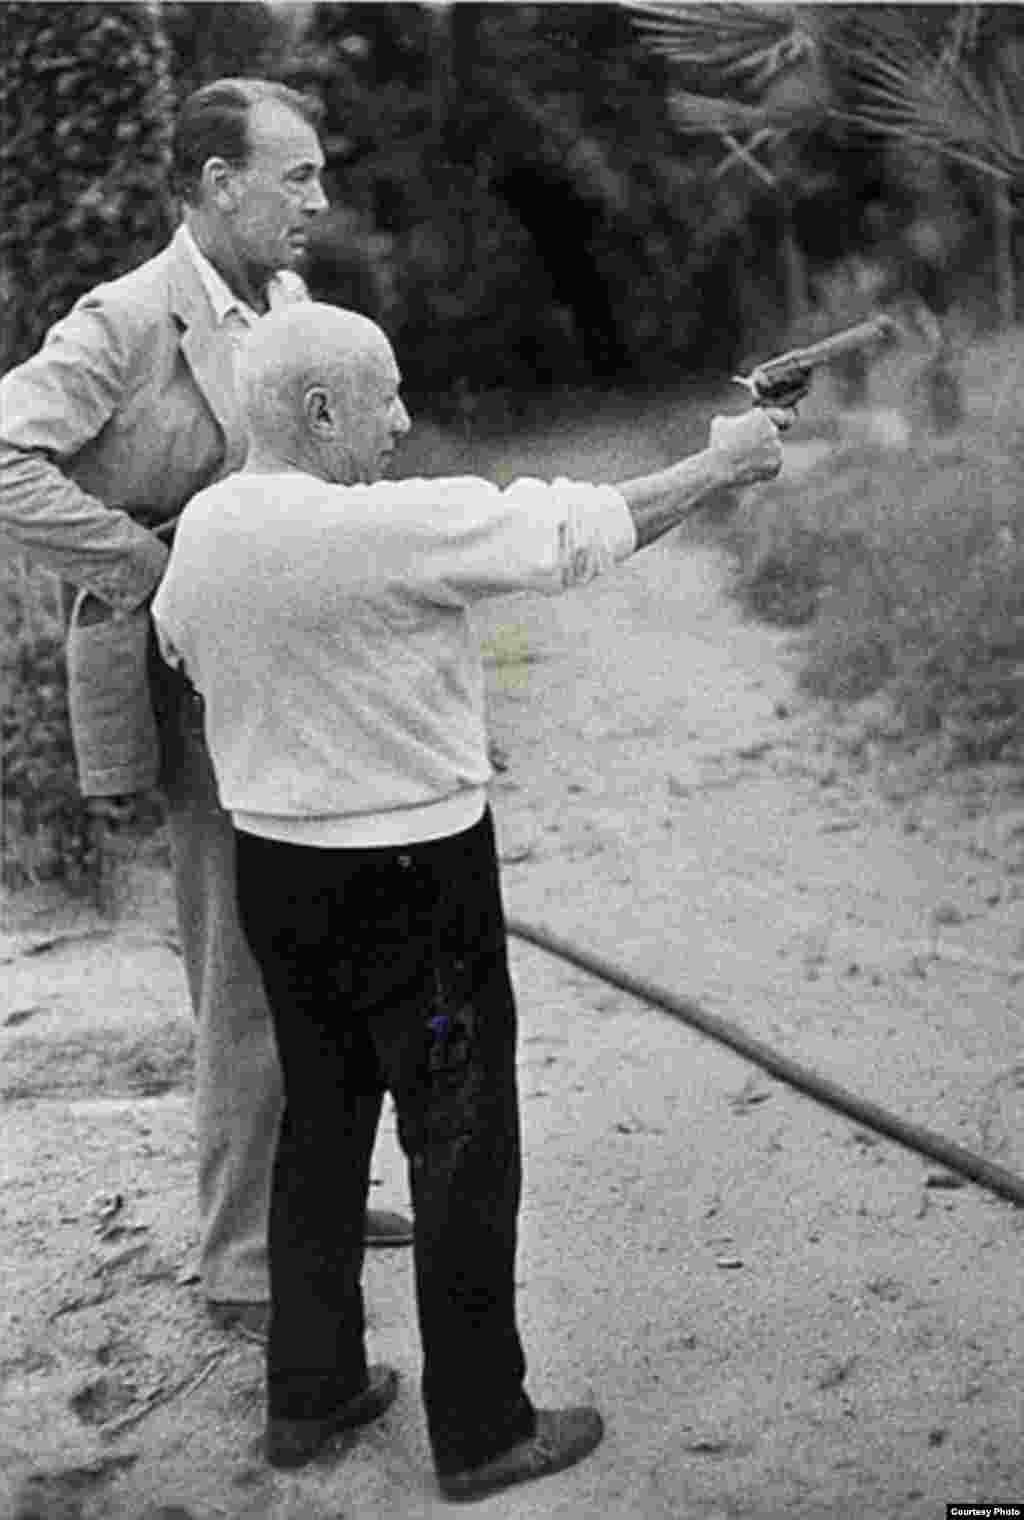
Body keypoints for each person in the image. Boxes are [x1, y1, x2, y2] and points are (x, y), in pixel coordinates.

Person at [150, 302, 791, 1501]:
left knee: (320, 1133)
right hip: (416, 882)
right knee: (461, 1144)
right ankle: (485, 1426)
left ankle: (311, 1388)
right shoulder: (388, 528)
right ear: (321, 410)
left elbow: (182, 647)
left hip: (279, 876)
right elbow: (576, 533)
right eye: (384, 396)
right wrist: (723, 462)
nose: (402, 420)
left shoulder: (204, 530)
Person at [0, 79, 412, 1344]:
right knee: (242, 959)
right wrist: (137, 561)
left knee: (332, 932)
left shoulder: (290, 309)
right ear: (218, 181)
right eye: (297, 176)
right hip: (187, 678)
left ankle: (319, 1191)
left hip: (297, 667)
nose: (319, 202)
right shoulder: (128, 318)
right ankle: (243, 1256)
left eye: (321, 176)